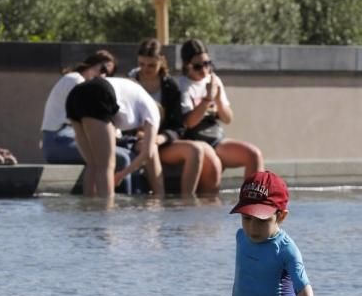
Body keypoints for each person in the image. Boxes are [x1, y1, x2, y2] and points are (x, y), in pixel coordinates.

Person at [129, 39, 221, 196]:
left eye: (151, 65)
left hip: (163, 140)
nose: (145, 69)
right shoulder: (131, 83)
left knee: (196, 149)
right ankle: (159, 197)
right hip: (137, 139)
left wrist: (161, 138)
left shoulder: (170, 87)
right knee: (149, 146)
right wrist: (138, 134)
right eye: (142, 64)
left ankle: (187, 200)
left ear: (161, 62)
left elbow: (178, 126)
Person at [40, 51, 134, 195]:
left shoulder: (81, 81)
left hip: (70, 137)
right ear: (92, 64)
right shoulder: (76, 80)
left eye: (109, 74)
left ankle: (102, 204)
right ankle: (119, 204)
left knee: (127, 154)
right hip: (58, 141)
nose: (104, 77)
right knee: (121, 158)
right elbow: (92, 119)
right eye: (103, 70)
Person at [65, 75, 164, 200]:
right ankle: (107, 212)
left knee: (93, 164)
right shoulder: (153, 110)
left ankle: (88, 213)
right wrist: (121, 175)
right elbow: (148, 153)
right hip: (99, 92)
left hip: (75, 94)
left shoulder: (133, 101)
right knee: (106, 166)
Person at [179, 39, 264, 179]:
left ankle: (254, 199)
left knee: (254, 154)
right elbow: (189, 123)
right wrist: (207, 99)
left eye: (207, 64)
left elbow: (228, 118)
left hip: (216, 139)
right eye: (197, 66)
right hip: (196, 140)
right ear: (186, 65)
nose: (204, 70)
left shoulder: (214, 81)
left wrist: (217, 99)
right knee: (214, 166)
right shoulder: (183, 86)